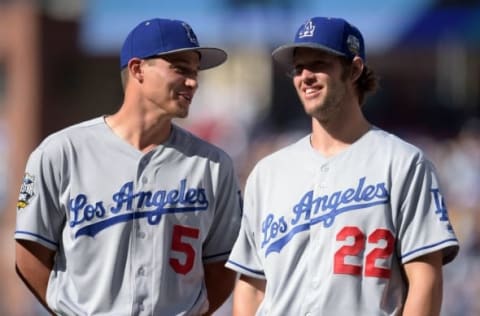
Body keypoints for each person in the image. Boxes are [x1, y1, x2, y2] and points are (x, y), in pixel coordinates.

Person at [225, 16, 460, 316]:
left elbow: (425, 280)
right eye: (298, 68)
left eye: (319, 64)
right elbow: (251, 286)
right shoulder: (268, 173)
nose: (305, 76)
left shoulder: (403, 163)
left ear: (354, 70)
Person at [15, 17, 243, 315]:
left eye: (196, 72)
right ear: (138, 70)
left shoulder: (213, 165)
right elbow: (30, 254)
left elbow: (222, 266)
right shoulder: (62, 152)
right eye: (180, 69)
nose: (193, 81)